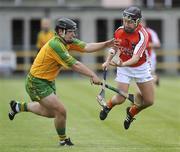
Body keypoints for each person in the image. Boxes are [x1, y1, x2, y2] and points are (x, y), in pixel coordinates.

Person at [8, 17, 116, 146]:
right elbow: (74, 65)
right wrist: (92, 75)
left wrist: (107, 44)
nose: (74, 34)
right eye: (71, 31)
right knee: (61, 111)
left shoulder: (67, 41)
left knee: (52, 113)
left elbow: (87, 46)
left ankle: (18, 107)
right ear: (61, 31)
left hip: (48, 81)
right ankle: (63, 140)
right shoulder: (56, 45)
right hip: (36, 82)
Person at [99, 6, 154, 130]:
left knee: (149, 101)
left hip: (140, 67)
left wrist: (121, 64)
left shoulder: (143, 35)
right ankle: (107, 106)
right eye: (124, 21)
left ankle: (131, 113)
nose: (126, 24)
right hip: (124, 66)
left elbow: (135, 58)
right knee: (120, 98)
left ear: (137, 22)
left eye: (129, 22)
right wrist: (107, 61)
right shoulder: (119, 31)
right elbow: (114, 47)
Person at [142, 20, 161, 86]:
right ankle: (155, 78)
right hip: (140, 57)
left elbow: (158, 44)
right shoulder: (136, 33)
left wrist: (146, 44)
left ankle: (154, 79)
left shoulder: (150, 32)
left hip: (149, 56)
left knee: (149, 74)